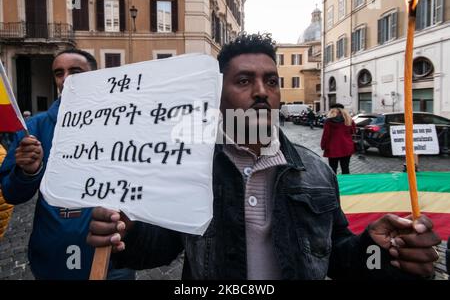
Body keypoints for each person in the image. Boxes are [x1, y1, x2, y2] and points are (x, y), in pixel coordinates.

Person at [87, 34, 440, 280]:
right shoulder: (192, 166)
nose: (261, 92)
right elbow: (160, 248)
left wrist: (375, 249)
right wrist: (126, 232)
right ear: (217, 93)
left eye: (271, 81)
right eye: (244, 81)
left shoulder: (315, 170)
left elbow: (335, 257)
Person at [0, 49, 135, 280]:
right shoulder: (35, 127)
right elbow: (12, 193)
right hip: (54, 252)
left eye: (75, 71)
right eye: (59, 73)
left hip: (112, 255)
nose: (66, 78)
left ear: (94, 76)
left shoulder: (122, 123)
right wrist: (28, 172)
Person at [320, 104, 356, 174]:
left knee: (333, 169)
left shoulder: (329, 121)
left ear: (332, 111)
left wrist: (323, 145)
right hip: (346, 147)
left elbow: (326, 136)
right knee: (345, 168)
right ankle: (345, 184)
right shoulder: (349, 120)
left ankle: (334, 184)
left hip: (333, 148)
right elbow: (353, 131)